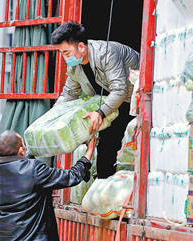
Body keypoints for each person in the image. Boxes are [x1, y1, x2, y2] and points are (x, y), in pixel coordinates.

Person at [51, 22, 139, 178]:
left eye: (66, 52)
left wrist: (100, 112)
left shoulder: (106, 54)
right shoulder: (75, 65)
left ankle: (119, 187)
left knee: (126, 144)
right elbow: (69, 93)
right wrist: (51, 118)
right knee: (105, 144)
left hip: (133, 100)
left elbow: (120, 89)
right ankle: (104, 183)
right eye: (61, 52)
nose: (64, 57)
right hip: (109, 104)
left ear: (82, 47)